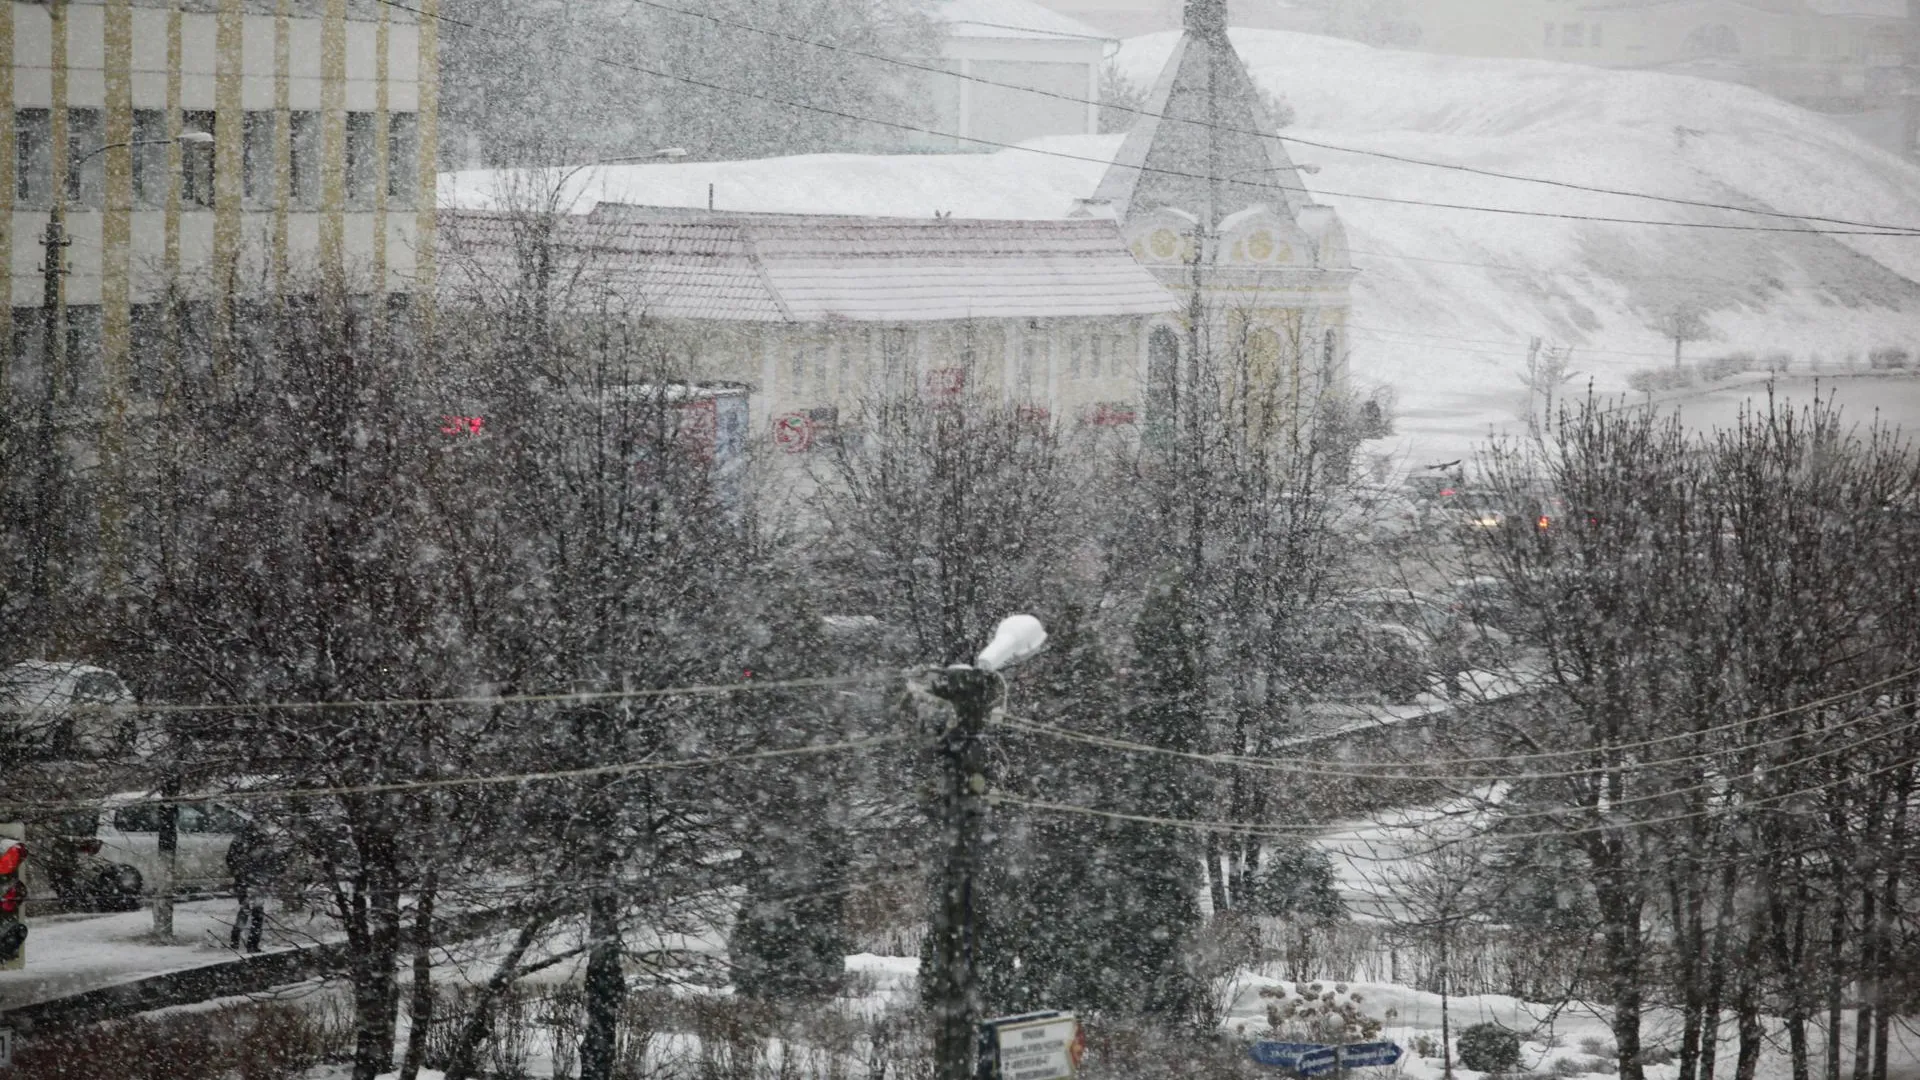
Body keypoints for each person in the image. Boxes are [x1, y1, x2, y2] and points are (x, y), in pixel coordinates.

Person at [225, 818, 281, 952]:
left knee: (245, 909)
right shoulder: (262, 839)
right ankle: (251, 944)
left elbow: (230, 859)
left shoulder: (240, 839)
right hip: (256, 880)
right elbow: (272, 861)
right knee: (257, 912)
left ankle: (236, 939)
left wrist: (239, 873)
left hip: (244, 880)